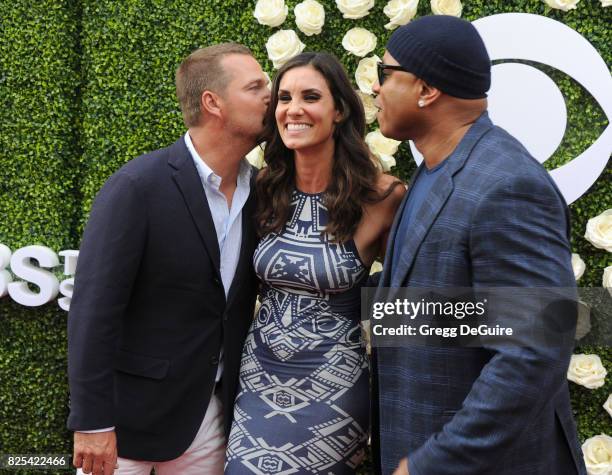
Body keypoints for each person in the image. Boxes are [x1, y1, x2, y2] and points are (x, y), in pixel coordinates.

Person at [371, 15, 587, 475]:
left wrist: (432, 463)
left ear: (427, 90)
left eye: (385, 74)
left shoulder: (507, 185)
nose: (375, 89)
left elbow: (532, 352)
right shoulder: (437, 168)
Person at [67, 43, 270, 475]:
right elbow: (93, 310)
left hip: (214, 418)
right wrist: (92, 422)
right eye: (256, 87)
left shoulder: (265, 195)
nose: (270, 95)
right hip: (127, 424)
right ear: (212, 103)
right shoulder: (138, 186)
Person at [224, 52, 405, 474]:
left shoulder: (381, 198)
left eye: (310, 97)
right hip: (255, 382)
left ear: (339, 110)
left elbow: (407, 292)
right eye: (284, 98)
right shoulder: (263, 189)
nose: (294, 109)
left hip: (334, 391)